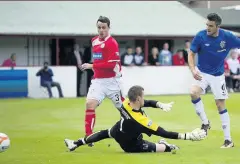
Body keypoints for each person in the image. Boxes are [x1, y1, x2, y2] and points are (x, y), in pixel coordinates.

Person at [64, 85, 207, 153]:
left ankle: (75, 144)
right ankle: (166, 146)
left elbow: (148, 102)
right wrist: (188, 136)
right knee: (165, 148)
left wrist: (159, 105)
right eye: (143, 96)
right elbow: (164, 132)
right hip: (132, 145)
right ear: (138, 98)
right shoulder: (141, 121)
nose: (144, 98)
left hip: (117, 131)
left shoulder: (126, 103)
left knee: (103, 133)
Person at [188, 13, 240, 148]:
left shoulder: (227, 37)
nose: (208, 28)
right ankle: (205, 123)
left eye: (211, 26)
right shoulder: (200, 36)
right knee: (193, 92)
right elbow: (191, 53)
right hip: (202, 72)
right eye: (207, 25)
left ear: (218, 26)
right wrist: (193, 70)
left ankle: (228, 141)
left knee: (220, 105)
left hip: (218, 75)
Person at [80, 16, 125, 142]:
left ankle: (135, 128)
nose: (101, 30)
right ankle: (89, 136)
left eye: (104, 28)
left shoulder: (112, 43)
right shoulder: (94, 41)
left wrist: (92, 65)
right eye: (99, 27)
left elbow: (111, 65)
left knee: (125, 110)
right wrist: (95, 67)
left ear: (109, 28)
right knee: (90, 104)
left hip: (113, 82)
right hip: (98, 81)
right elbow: (99, 59)